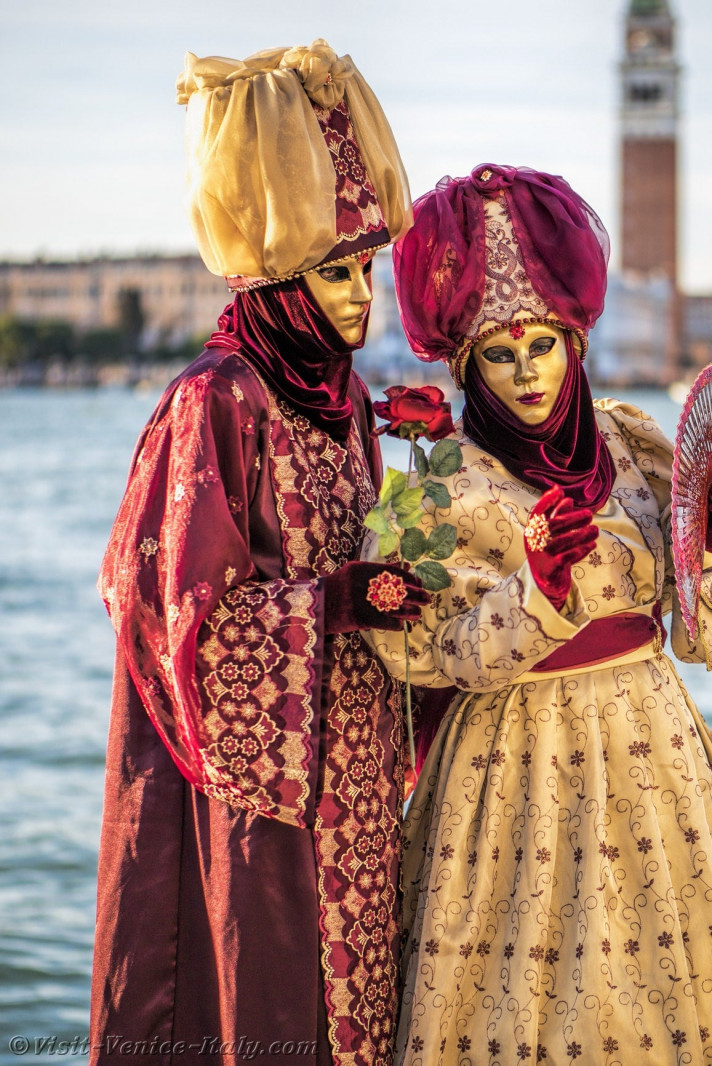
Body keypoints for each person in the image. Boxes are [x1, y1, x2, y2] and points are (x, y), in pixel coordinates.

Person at [363, 164, 712, 1064]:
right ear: (462, 362)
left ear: (575, 338)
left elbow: (695, 636)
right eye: (499, 352)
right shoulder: (438, 486)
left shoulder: (632, 444)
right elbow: (423, 655)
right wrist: (541, 595)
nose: (527, 372)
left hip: (660, 765)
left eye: (543, 345)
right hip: (509, 777)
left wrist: (704, 552)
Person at [90, 41, 428, 1066]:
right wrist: (324, 607)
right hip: (256, 816)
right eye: (335, 270)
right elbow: (164, 615)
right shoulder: (214, 399)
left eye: (366, 265)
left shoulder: (347, 406)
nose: (361, 294)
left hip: (356, 786)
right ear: (277, 273)